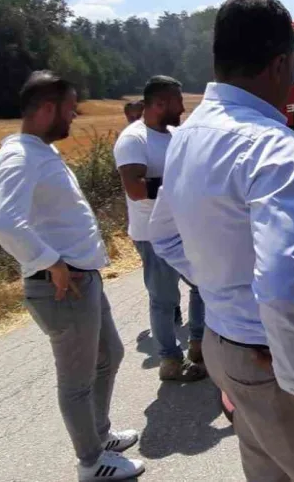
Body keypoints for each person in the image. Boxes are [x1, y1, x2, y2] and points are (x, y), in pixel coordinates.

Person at [148, 0, 294, 482]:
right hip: (277, 361)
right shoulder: (268, 144)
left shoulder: (188, 136)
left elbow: (164, 237)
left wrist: (221, 285)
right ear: (281, 64)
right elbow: (280, 282)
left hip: (225, 348)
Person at [0, 71, 144, 482]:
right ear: (46, 108)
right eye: (70, 107)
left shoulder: (39, 151)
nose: (75, 115)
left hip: (81, 280)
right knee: (76, 381)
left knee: (109, 355)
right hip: (62, 286)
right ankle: (92, 462)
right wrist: (50, 262)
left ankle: (100, 434)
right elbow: (4, 220)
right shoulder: (20, 156)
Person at [113, 75, 207, 382]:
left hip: (185, 229)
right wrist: (179, 185)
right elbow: (135, 189)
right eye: (178, 101)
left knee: (203, 286)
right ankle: (170, 361)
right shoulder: (134, 139)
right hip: (152, 234)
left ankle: (199, 348)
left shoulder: (175, 134)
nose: (183, 107)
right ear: (160, 103)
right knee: (164, 299)